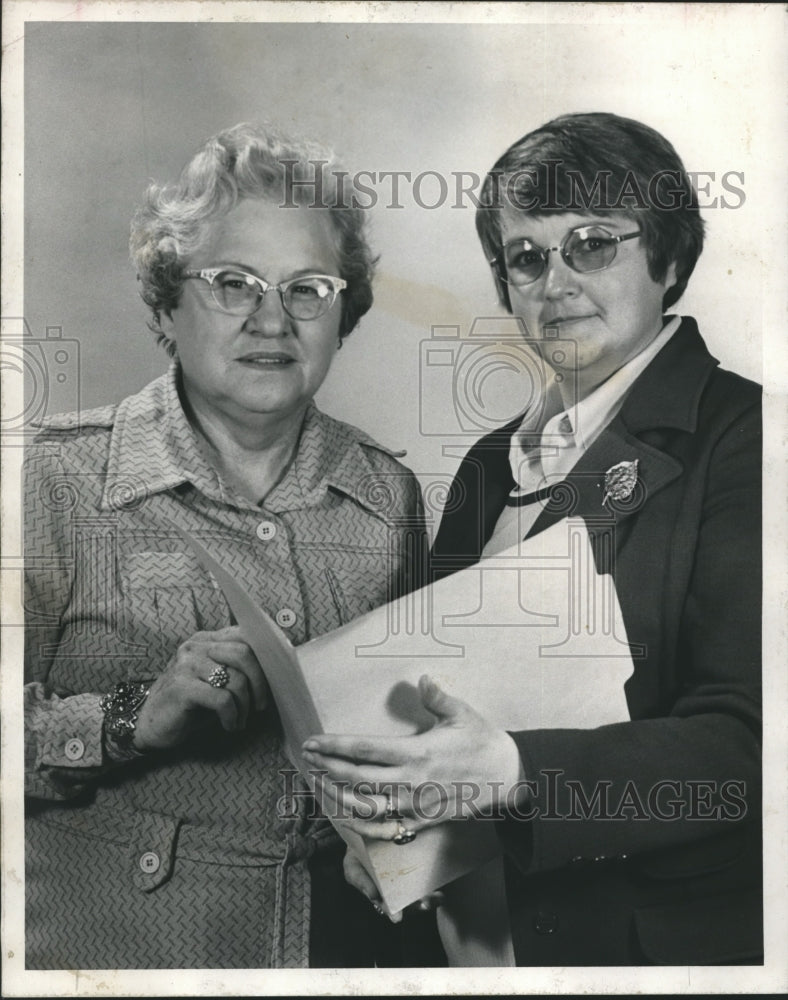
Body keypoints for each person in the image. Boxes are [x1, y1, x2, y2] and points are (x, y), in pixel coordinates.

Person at [301, 113, 762, 966]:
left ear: (666, 256)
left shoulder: (747, 440)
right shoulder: (488, 465)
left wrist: (513, 773)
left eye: (591, 244)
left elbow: (748, 748)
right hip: (461, 943)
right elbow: (428, 707)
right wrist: (395, 847)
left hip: (634, 953)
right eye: (527, 257)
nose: (555, 283)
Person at [23, 122, 427, 969]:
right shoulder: (50, 483)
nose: (272, 319)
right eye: (234, 284)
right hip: (116, 961)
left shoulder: (389, 500)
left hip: (339, 958)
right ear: (167, 303)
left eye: (308, 288)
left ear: (342, 313)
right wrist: (133, 718)